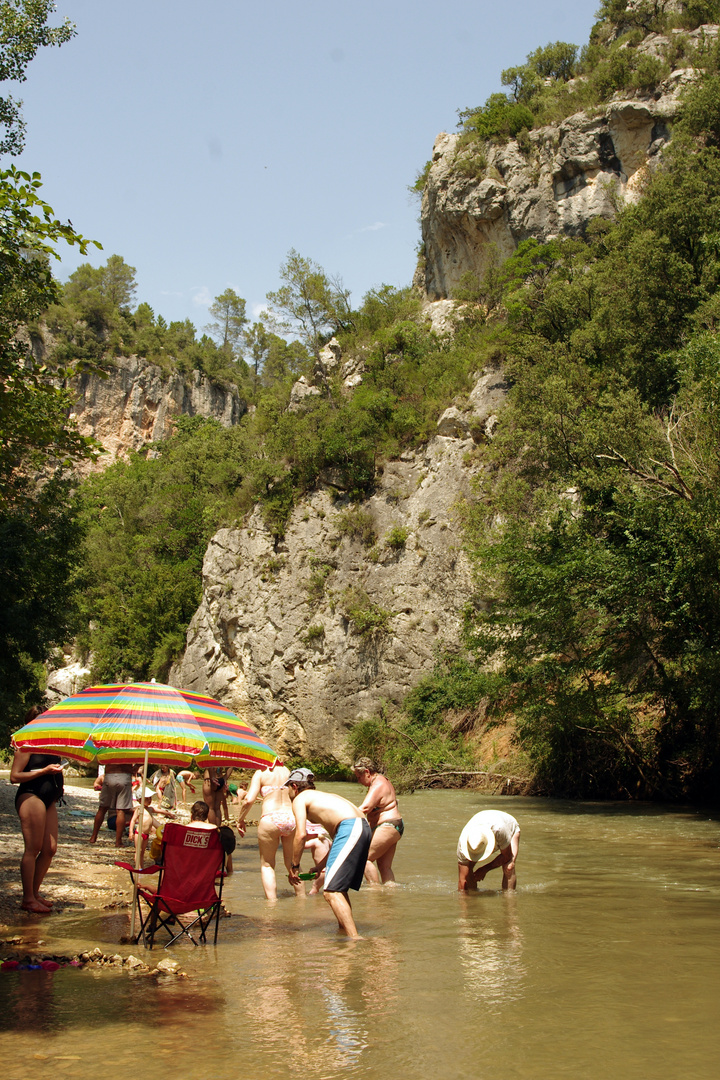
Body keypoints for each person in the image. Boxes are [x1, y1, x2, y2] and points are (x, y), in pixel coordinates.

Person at [286, 769, 372, 938]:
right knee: (339, 889)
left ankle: (354, 941)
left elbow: (301, 834)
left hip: (350, 827)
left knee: (331, 892)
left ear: (294, 786)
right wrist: (319, 866)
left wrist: (294, 866)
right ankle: (344, 933)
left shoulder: (299, 799)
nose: (287, 793)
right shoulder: (322, 796)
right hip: (362, 827)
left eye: (288, 788)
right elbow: (338, 841)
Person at [10, 711, 65, 914]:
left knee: (49, 848)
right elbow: (14, 777)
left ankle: (34, 892)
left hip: (48, 799)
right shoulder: (26, 745)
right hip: (30, 796)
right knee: (32, 848)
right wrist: (44, 771)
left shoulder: (50, 743)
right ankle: (28, 899)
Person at [237, 761, 305, 899]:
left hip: (270, 817)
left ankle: (271, 905)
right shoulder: (287, 770)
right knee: (292, 863)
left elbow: (249, 800)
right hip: (290, 817)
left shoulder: (261, 772)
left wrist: (240, 819)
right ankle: (302, 899)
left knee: (267, 864)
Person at [353, 757, 403, 885]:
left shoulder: (378, 784)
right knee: (384, 866)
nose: (358, 781)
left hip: (388, 825)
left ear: (367, 772)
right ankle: (388, 895)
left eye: (359, 777)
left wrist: (342, 818)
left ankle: (374, 892)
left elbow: (365, 807)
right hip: (394, 826)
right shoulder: (381, 781)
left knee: (363, 858)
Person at [457, 809, 520, 891]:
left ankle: (509, 900)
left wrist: (484, 869)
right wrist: (464, 901)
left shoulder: (499, 830)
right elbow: (462, 880)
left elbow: (507, 856)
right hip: (484, 824)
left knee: (509, 867)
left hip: (510, 828)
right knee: (467, 873)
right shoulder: (462, 846)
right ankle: (473, 899)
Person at [89, 764, 134, 847]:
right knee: (121, 810)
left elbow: (100, 760)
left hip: (109, 775)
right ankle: (118, 841)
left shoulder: (110, 750)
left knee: (102, 808)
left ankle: (93, 837)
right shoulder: (129, 750)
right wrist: (134, 769)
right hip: (124, 776)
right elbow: (140, 761)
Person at [130, 787, 172, 865]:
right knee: (138, 851)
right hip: (139, 834)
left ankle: (141, 866)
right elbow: (133, 820)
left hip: (146, 834)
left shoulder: (150, 809)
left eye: (150, 798)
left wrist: (168, 813)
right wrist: (130, 832)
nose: (149, 800)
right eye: (147, 798)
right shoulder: (139, 809)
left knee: (142, 852)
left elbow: (160, 811)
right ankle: (137, 867)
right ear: (139, 800)